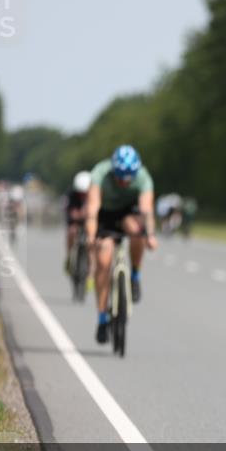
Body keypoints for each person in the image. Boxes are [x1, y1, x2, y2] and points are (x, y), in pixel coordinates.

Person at [85, 145, 158, 344]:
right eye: (120, 177)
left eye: (129, 178)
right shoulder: (100, 173)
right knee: (103, 259)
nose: (125, 182)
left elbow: (146, 209)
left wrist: (150, 234)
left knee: (137, 233)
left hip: (128, 212)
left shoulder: (143, 177)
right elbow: (92, 209)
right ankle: (101, 318)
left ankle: (134, 274)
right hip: (105, 215)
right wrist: (91, 235)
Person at [64, 171, 91, 274]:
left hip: (88, 220)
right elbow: (69, 210)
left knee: (92, 238)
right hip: (74, 221)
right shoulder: (71, 195)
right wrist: (76, 215)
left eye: (85, 193)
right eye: (80, 192)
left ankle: (90, 266)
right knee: (71, 232)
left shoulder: (93, 194)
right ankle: (70, 256)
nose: (83, 195)